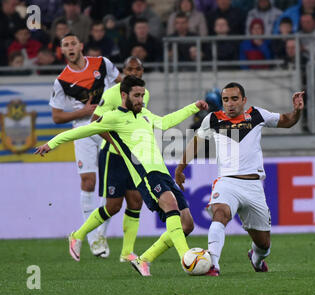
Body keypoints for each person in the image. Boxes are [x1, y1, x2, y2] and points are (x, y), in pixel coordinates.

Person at [35, 75, 209, 277]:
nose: (140, 100)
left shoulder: (144, 113)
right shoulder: (113, 118)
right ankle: (186, 259)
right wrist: (51, 144)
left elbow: (164, 122)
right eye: (136, 95)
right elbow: (81, 131)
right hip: (145, 174)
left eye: (143, 95)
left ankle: (145, 259)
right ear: (124, 95)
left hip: (162, 172)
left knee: (187, 224)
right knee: (169, 206)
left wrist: (194, 107)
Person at [175, 82, 305, 276]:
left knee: (263, 243)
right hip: (227, 182)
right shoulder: (213, 119)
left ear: (244, 100)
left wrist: (297, 111)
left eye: (234, 99)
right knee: (220, 213)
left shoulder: (257, 115)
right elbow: (196, 143)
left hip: (253, 185)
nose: (230, 103)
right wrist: (180, 168)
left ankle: (256, 257)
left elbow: (287, 120)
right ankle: (213, 265)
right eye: (225, 100)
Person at [49, 32, 122, 258]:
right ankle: (91, 239)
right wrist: (82, 111)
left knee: (110, 183)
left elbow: (123, 84)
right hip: (83, 130)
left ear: (81, 45)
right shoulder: (61, 80)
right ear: (63, 51)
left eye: (73, 43)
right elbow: (57, 116)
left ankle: (101, 234)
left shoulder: (102, 63)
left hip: (108, 126)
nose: (70, 47)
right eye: (65, 45)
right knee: (88, 181)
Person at [91, 56, 150, 262]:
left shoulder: (144, 94)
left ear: (142, 72)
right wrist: (116, 144)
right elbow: (94, 121)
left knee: (136, 201)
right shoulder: (112, 94)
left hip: (133, 156)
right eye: (130, 69)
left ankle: (127, 253)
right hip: (113, 155)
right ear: (123, 72)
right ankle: (91, 236)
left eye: (138, 69)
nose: (134, 72)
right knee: (113, 205)